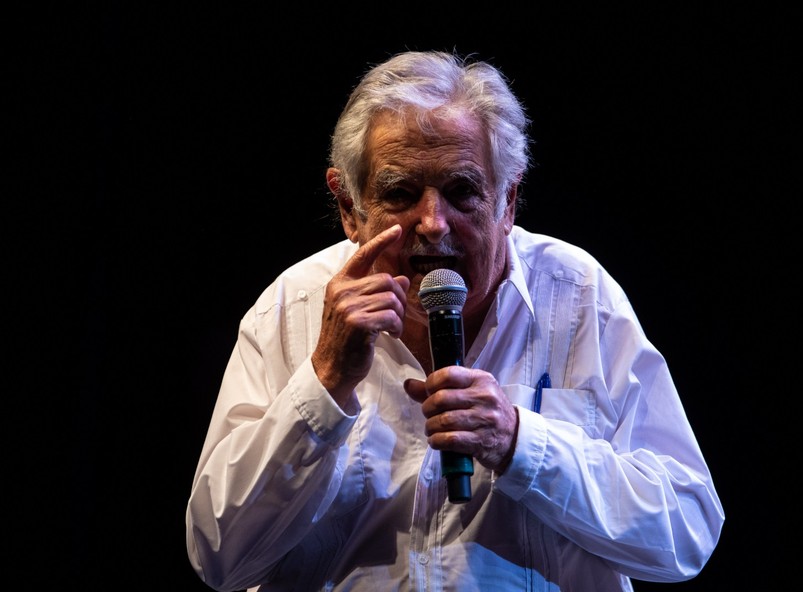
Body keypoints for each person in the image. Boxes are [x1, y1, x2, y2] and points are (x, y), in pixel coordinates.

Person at [184, 50, 725, 592]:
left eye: (462, 191)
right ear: (349, 206)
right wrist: (324, 381)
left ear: (508, 201)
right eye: (400, 193)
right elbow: (219, 558)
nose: (433, 223)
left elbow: (687, 531)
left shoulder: (579, 297)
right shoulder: (292, 306)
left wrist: (520, 443)